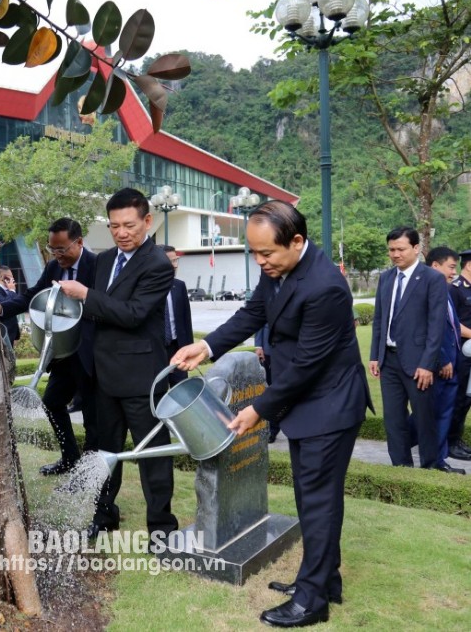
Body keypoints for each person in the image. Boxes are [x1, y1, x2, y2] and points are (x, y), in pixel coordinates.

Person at [172, 201, 369, 628]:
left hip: (329, 406)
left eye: (267, 254)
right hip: (307, 403)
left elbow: (305, 366)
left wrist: (257, 410)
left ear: (296, 242)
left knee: (317, 501)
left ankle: (312, 600)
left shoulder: (325, 287)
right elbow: (253, 313)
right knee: (312, 497)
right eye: (254, 253)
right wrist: (206, 347)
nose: (260, 263)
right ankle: (323, 579)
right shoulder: (279, 270)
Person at [58, 188, 178, 544]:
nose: (122, 233)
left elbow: (133, 314)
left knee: (153, 456)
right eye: (114, 226)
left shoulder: (157, 263)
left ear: (147, 221)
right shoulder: (107, 260)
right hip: (104, 375)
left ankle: (162, 528)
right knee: (105, 451)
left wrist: (85, 295)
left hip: (143, 379)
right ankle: (104, 515)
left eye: (129, 225)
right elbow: (97, 312)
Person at [0, 218, 98, 474]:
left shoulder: (97, 265)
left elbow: (105, 304)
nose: (57, 256)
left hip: (90, 354)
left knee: (93, 417)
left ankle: (89, 471)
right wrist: (1, 307)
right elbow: (33, 296)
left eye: (62, 250)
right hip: (62, 354)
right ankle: (70, 459)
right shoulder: (53, 267)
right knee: (52, 402)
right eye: (53, 250)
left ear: (79, 242)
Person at [369, 227, 447, 470]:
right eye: (391, 249)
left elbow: (436, 327)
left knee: (424, 419)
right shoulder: (386, 277)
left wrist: (427, 364)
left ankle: (430, 467)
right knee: (393, 420)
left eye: (400, 249)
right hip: (388, 361)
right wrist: (374, 355)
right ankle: (401, 468)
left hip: (418, 363)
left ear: (416, 248)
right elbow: (379, 320)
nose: (395, 254)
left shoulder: (432, 279)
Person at [422, 247, 465, 474]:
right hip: (440, 365)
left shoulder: (445, 289)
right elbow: (431, 330)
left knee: (442, 414)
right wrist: (443, 359)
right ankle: (434, 459)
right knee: (430, 415)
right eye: (450, 267)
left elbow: (451, 326)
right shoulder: (428, 289)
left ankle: (439, 458)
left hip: (452, 364)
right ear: (435, 266)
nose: (454, 272)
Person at [447, 249, 471, 461]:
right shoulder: (455, 289)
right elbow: (453, 322)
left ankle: (458, 438)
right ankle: (451, 441)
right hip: (462, 351)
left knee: (468, 398)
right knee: (460, 396)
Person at [159, 244, 193, 386]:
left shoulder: (179, 286)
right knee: (158, 391)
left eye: (175, 261)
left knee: (181, 390)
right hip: (157, 349)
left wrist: (189, 349)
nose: (174, 266)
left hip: (178, 348)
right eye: (170, 261)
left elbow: (186, 320)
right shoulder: (147, 288)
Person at [254, 324, 279, 442]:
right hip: (269, 349)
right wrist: (258, 345)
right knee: (271, 390)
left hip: (292, 349)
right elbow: (259, 316)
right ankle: (272, 429)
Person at [0, 265, 20, 348]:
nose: (12, 279)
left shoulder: (9, 291)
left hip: (12, 333)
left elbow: (17, 306)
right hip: (4, 333)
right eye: (10, 277)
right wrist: (12, 290)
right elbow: (5, 305)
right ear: (2, 277)